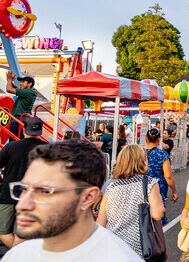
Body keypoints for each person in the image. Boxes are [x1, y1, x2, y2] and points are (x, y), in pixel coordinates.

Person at [3, 139, 141, 261]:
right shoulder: (17, 255)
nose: (21, 205)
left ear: (88, 198)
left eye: (45, 192)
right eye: (24, 189)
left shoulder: (119, 257)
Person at [97, 144, 165, 258]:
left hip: (114, 246)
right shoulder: (149, 183)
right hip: (139, 246)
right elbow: (157, 214)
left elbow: (100, 222)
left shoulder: (111, 187)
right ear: (143, 160)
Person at [0, 117, 47, 248]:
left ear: (24, 130)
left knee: (2, 231)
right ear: (40, 131)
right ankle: (20, 255)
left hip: (8, 195)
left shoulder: (11, 146)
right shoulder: (47, 149)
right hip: (34, 197)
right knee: (22, 233)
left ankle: (18, 255)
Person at [145, 127, 178, 225]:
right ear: (159, 140)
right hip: (158, 186)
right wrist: (174, 191)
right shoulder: (162, 154)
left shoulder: (139, 152)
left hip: (141, 185)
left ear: (146, 138)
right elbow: (168, 176)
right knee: (158, 215)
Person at [5, 71, 37, 137]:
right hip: (21, 121)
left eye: (23, 82)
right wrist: (10, 81)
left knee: (14, 143)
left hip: (18, 121)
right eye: (21, 82)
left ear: (30, 84)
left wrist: (9, 79)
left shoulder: (28, 92)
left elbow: (9, 89)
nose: (21, 83)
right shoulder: (29, 92)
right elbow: (15, 88)